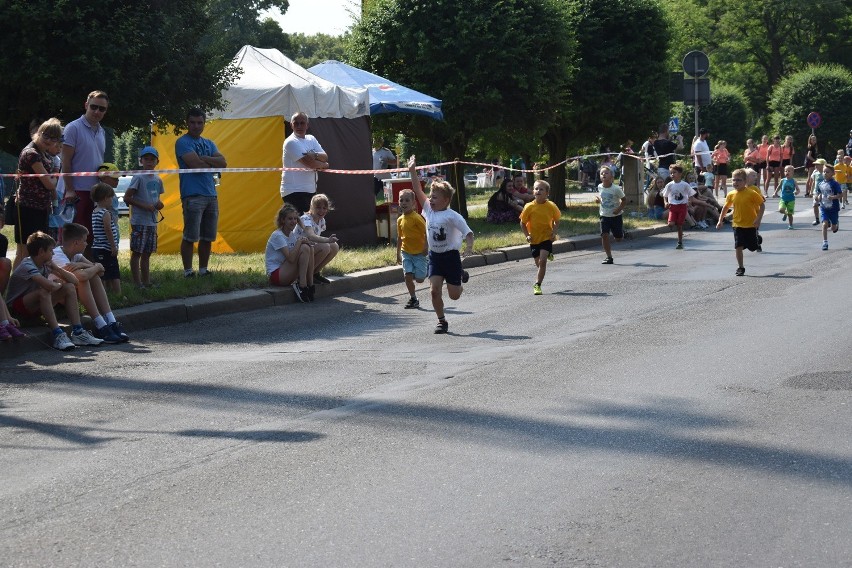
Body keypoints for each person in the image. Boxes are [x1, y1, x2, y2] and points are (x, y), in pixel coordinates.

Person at [407, 155, 473, 334]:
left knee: (454, 296)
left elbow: (468, 233)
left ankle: (459, 274)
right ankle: (442, 321)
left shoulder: (453, 216)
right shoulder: (428, 210)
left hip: (451, 257)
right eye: (431, 196)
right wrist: (413, 170)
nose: (431, 200)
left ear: (446, 200)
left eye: (435, 197)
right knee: (434, 291)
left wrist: (468, 247)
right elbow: (416, 190)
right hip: (435, 257)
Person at [5, 231, 104, 350]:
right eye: (51, 250)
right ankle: (57, 334)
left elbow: (74, 281)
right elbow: (50, 287)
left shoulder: (46, 263)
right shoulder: (27, 264)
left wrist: (57, 269)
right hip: (16, 308)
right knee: (44, 292)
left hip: (35, 305)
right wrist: (57, 284)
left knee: (69, 287)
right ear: (41, 251)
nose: (53, 253)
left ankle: (78, 332)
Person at [52, 222, 128, 343]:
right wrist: (95, 266)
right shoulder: (57, 255)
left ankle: (111, 321)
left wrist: (83, 264)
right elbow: (83, 275)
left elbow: (101, 271)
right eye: (84, 240)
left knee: (93, 276)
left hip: (69, 294)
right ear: (76, 243)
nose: (87, 243)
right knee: (84, 279)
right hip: (56, 296)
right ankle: (100, 325)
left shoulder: (76, 255)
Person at [175, 108, 227, 278]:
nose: (196, 126)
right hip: (192, 194)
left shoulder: (209, 143)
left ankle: (203, 270)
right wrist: (210, 161)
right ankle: (188, 271)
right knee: (190, 236)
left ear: (204, 123)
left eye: (199, 122)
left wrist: (203, 158)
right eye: (192, 122)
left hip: (211, 194)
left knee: (208, 236)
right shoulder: (182, 142)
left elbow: (223, 163)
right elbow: (195, 165)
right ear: (187, 123)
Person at [58, 90, 109, 251]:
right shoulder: (73, 128)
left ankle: (87, 273)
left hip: (94, 193)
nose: (97, 112)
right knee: (73, 237)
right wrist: (70, 190)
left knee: (90, 237)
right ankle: (67, 273)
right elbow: (65, 161)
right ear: (86, 105)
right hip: (75, 192)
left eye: (102, 109)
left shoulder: (102, 131)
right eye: (94, 107)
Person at [13, 118, 62, 269]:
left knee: (38, 251)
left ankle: (33, 284)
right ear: (38, 133)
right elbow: (49, 184)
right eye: (46, 135)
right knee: (24, 251)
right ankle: (15, 287)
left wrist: (52, 178)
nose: (49, 140)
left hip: (41, 208)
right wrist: (53, 176)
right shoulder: (31, 153)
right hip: (27, 208)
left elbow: (51, 181)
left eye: (54, 138)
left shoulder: (45, 154)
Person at [124, 146, 165, 288]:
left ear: (157, 161)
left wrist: (159, 205)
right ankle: (137, 283)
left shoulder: (158, 179)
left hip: (152, 222)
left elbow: (156, 199)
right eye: (146, 159)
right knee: (137, 253)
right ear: (141, 161)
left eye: (152, 159)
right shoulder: (138, 177)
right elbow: (127, 198)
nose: (149, 161)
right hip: (139, 221)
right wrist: (144, 206)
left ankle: (146, 282)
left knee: (147, 253)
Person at [716, 169, 765, 276]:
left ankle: (757, 240)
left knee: (752, 247)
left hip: (751, 224)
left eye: (739, 180)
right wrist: (720, 220)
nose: (736, 183)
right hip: (737, 224)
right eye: (734, 180)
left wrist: (758, 219)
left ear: (745, 181)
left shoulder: (752, 193)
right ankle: (740, 267)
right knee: (738, 246)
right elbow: (725, 207)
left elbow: (762, 205)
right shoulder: (731, 194)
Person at [280, 112, 329, 215]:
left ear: (307, 125)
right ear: (291, 125)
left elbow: (325, 156)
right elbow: (310, 164)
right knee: (304, 225)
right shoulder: (291, 142)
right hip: (294, 191)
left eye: (302, 123)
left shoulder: (311, 138)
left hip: (310, 190)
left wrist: (314, 155)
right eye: (296, 123)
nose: (299, 126)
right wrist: (325, 165)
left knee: (309, 224)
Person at [265, 203, 315, 302]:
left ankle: (310, 284)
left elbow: (299, 252)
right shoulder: (277, 235)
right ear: (283, 220)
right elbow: (291, 259)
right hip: (276, 275)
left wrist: (304, 239)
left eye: (295, 219)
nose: (293, 221)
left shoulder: (291, 234)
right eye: (290, 219)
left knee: (309, 247)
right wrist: (300, 241)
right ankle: (302, 285)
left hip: (286, 271)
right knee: (304, 247)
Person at [520, 180, 560, 295]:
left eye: (541, 189)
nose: (538, 191)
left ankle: (537, 284)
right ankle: (549, 254)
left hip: (546, 237)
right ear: (533, 191)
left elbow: (557, 220)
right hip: (534, 239)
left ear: (547, 193)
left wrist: (554, 232)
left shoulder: (551, 206)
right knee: (538, 263)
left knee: (542, 262)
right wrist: (527, 235)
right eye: (536, 189)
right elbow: (522, 223)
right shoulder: (529, 207)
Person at [395, 188, 428, 309]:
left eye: (407, 200)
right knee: (407, 275)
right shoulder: (399, 220)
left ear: (413, 203)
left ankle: (428, 266)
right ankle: (413, 298)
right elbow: (399, 238)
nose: (404, 203)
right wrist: (397, 253)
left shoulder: (417, 218)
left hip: (419, 253)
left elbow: (427, 233)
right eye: (401, 200)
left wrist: (426, 246)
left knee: (419, 279)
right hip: (406, 252)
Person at [299, 193, 339, 283]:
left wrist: (329, 241)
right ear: (311, 207)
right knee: (325, 247)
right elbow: (311, 236)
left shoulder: (322, 220)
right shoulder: (305, 218)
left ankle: (315, 273)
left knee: (334, 246)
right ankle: (303, 274)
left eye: (324, 208)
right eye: (318, 207)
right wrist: (327, 240)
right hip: (300, 252)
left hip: (310, 249)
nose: (321, 211)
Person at [90, 182, 121, 294]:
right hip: (106, 247)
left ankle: (103, 292)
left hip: (97, 247)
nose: (112, 200)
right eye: (111, 197)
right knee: (114, 272)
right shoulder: (105, 213)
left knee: (102, 272)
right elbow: (108, 229)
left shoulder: (95, 211)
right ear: (105, 198)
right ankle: (118, 294)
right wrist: (113, 246)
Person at [594, 167, 625, 265]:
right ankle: (609, 257)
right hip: (604, 215)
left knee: (618, 239)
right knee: (604, 235)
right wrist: (598, 200)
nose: (604, 174)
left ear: (611, 176)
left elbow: (624, 200)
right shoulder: (599, 186)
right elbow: (601, 197)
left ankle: (621, 232)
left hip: (616, 216)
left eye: (606, 173)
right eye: (602, 173)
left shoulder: (616, 189)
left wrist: (619, 209)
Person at [662, 164, 695, 249]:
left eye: (674, 172)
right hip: (673, 207)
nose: (672, 174)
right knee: (671, 224)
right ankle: (675, 221)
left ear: (680, 174)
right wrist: (665, 202)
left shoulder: (685, 185)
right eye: (671, 173)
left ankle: (680, 242)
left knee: (680, 225)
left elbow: (690, 194)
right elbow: (665, 195)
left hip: (682, 206)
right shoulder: (669, 185)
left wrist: (689, 201)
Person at [816, 164, 842, 251]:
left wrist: (833, 197)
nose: (825, 173)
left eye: (827, 172)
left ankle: (835, 223)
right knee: (824, 224)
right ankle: (825, 242)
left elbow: (840, 194)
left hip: (833, 208)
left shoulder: (835, 184)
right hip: (824, 207)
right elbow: (818, 193)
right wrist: (817, 197)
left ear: (832, 173)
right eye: (824, 172)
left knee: (833, 228)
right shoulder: (820, 183)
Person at [776, 165, 798, 229]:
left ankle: (791, 225)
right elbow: (779, 186)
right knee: (781, 210)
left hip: (791, 200)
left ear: (792, 173)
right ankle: (785, 213)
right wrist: (775, 192)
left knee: (790, 214)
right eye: (785, 171)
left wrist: (796, 192)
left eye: (789, 171)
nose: (787, 172)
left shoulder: (793, 181)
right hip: (783, 199)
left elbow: (798, 189)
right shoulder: (782, 180)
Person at [810, 158, 827, 225]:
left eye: (818, 164)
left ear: (823, 165)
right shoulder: (815, 173)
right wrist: (811, 191)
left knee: (825, 206)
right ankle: (817, 219)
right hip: (816, 192)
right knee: (815, 205)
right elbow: (814, 182)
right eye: (815, 164)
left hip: (825, 192)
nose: (816, 166)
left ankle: (827, 219)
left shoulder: (826, 173)